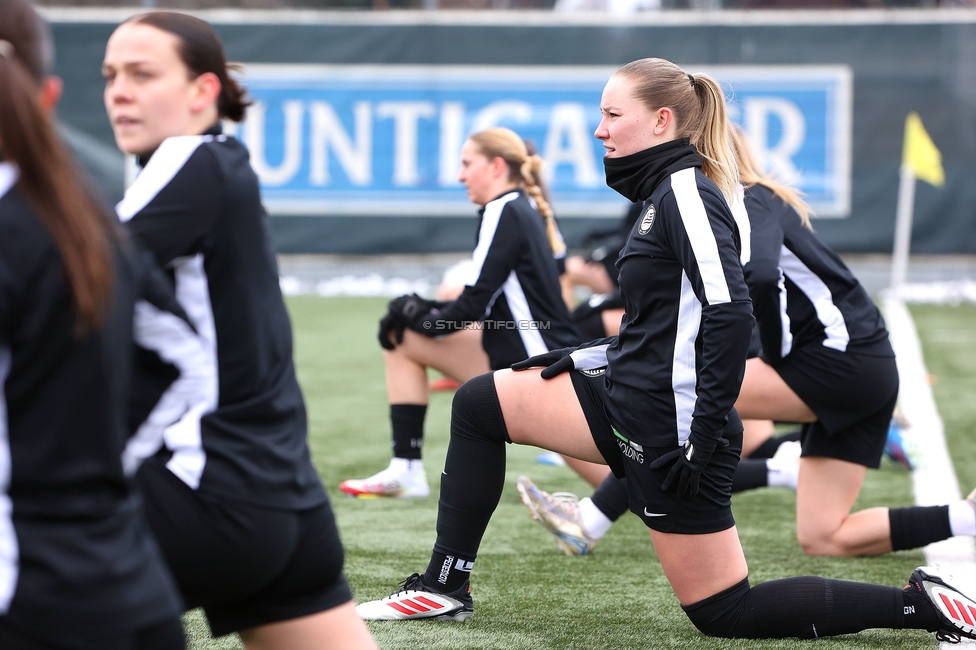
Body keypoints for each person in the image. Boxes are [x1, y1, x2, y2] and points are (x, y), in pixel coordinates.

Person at [352, 58, 976, 643]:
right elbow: (665, 319)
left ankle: (920, 605)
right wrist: (588, 354)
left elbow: (730, 312)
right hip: (627, 390)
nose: (599, 131)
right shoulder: (658, 196)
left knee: (724, 612)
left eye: (612, 116)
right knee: (481, 405)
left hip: (667, 419)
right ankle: (444, 584)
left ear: (662, 121)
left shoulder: (685, 192)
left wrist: (703, 432)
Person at [517, 123, 976, 560]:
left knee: (664, 391)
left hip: (840, 362)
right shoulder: (728, 204)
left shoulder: (747, 199)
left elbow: (755, 274)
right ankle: (967, 517)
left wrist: (746, 341)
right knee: (826, 537)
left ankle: (590, 520)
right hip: (858, 367)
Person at [102, 12, 378, 649]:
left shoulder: (191, 154)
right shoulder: (214, 164)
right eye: (111, 74)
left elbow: (66, 269)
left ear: (203, 92)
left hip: (205, 493)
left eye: (143, 74)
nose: (119, 89)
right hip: (283, 500)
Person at [0, 3, 197, 646]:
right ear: (49, 95)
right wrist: (89, 471)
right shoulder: (87, 214)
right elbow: (183, 363)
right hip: (123, 586)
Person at [338, 127, 580, 499]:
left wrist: (417, 316)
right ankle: (406, 469)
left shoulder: (503, 210)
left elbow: (471, 306)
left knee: (631, 483)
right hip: (530, 355)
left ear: (496, 166)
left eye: (467, 164)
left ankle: (597, 516)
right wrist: (422, 313)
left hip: (538, 369)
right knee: (399, 337)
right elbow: (482, 302)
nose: (460, 175)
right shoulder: (518, 205)